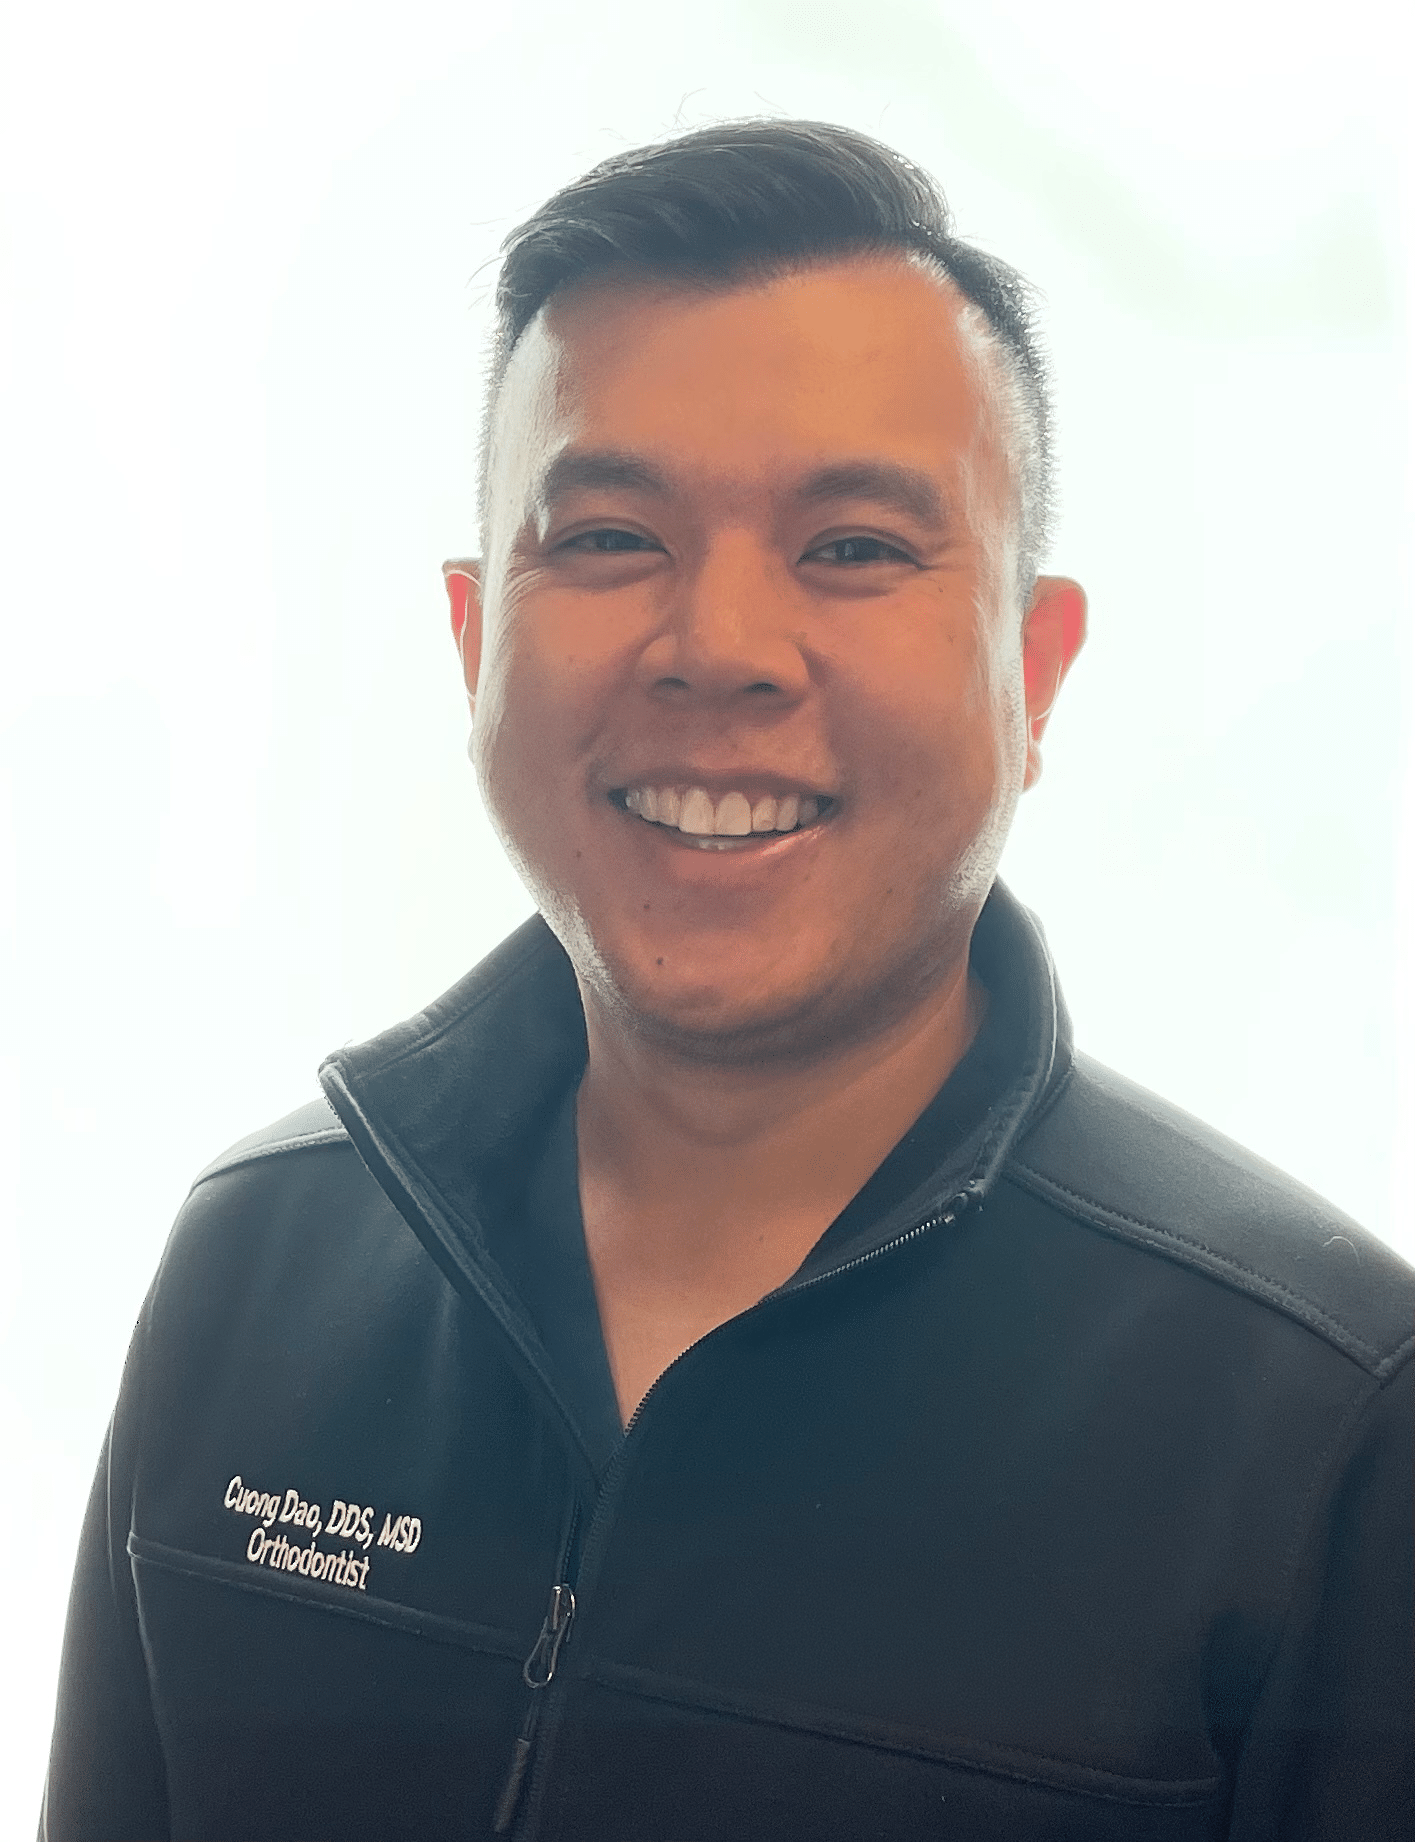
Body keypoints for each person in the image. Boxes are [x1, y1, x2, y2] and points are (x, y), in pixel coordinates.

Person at [41, 120, 1412, 1841]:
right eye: (609, 536)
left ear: (1033, 667)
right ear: (473, 636)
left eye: (851, 546)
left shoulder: (1316, 1416)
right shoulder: (258, 1262)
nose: (718, 649)